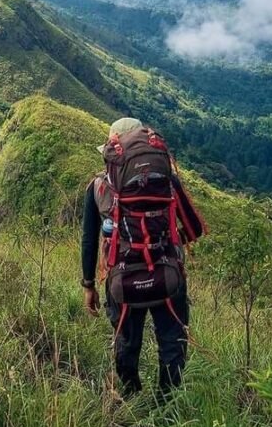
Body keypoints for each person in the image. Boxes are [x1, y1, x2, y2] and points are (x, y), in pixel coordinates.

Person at [81, 117, 206, 398]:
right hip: (167, 274)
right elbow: (194, 227)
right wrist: (162, 240)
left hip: (122, 280)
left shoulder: (97, 187)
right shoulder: (166, 181)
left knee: (127, 342)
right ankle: (167, 404)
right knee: (172, 341)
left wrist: (88, 285)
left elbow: (89, 240)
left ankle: (131, 400)